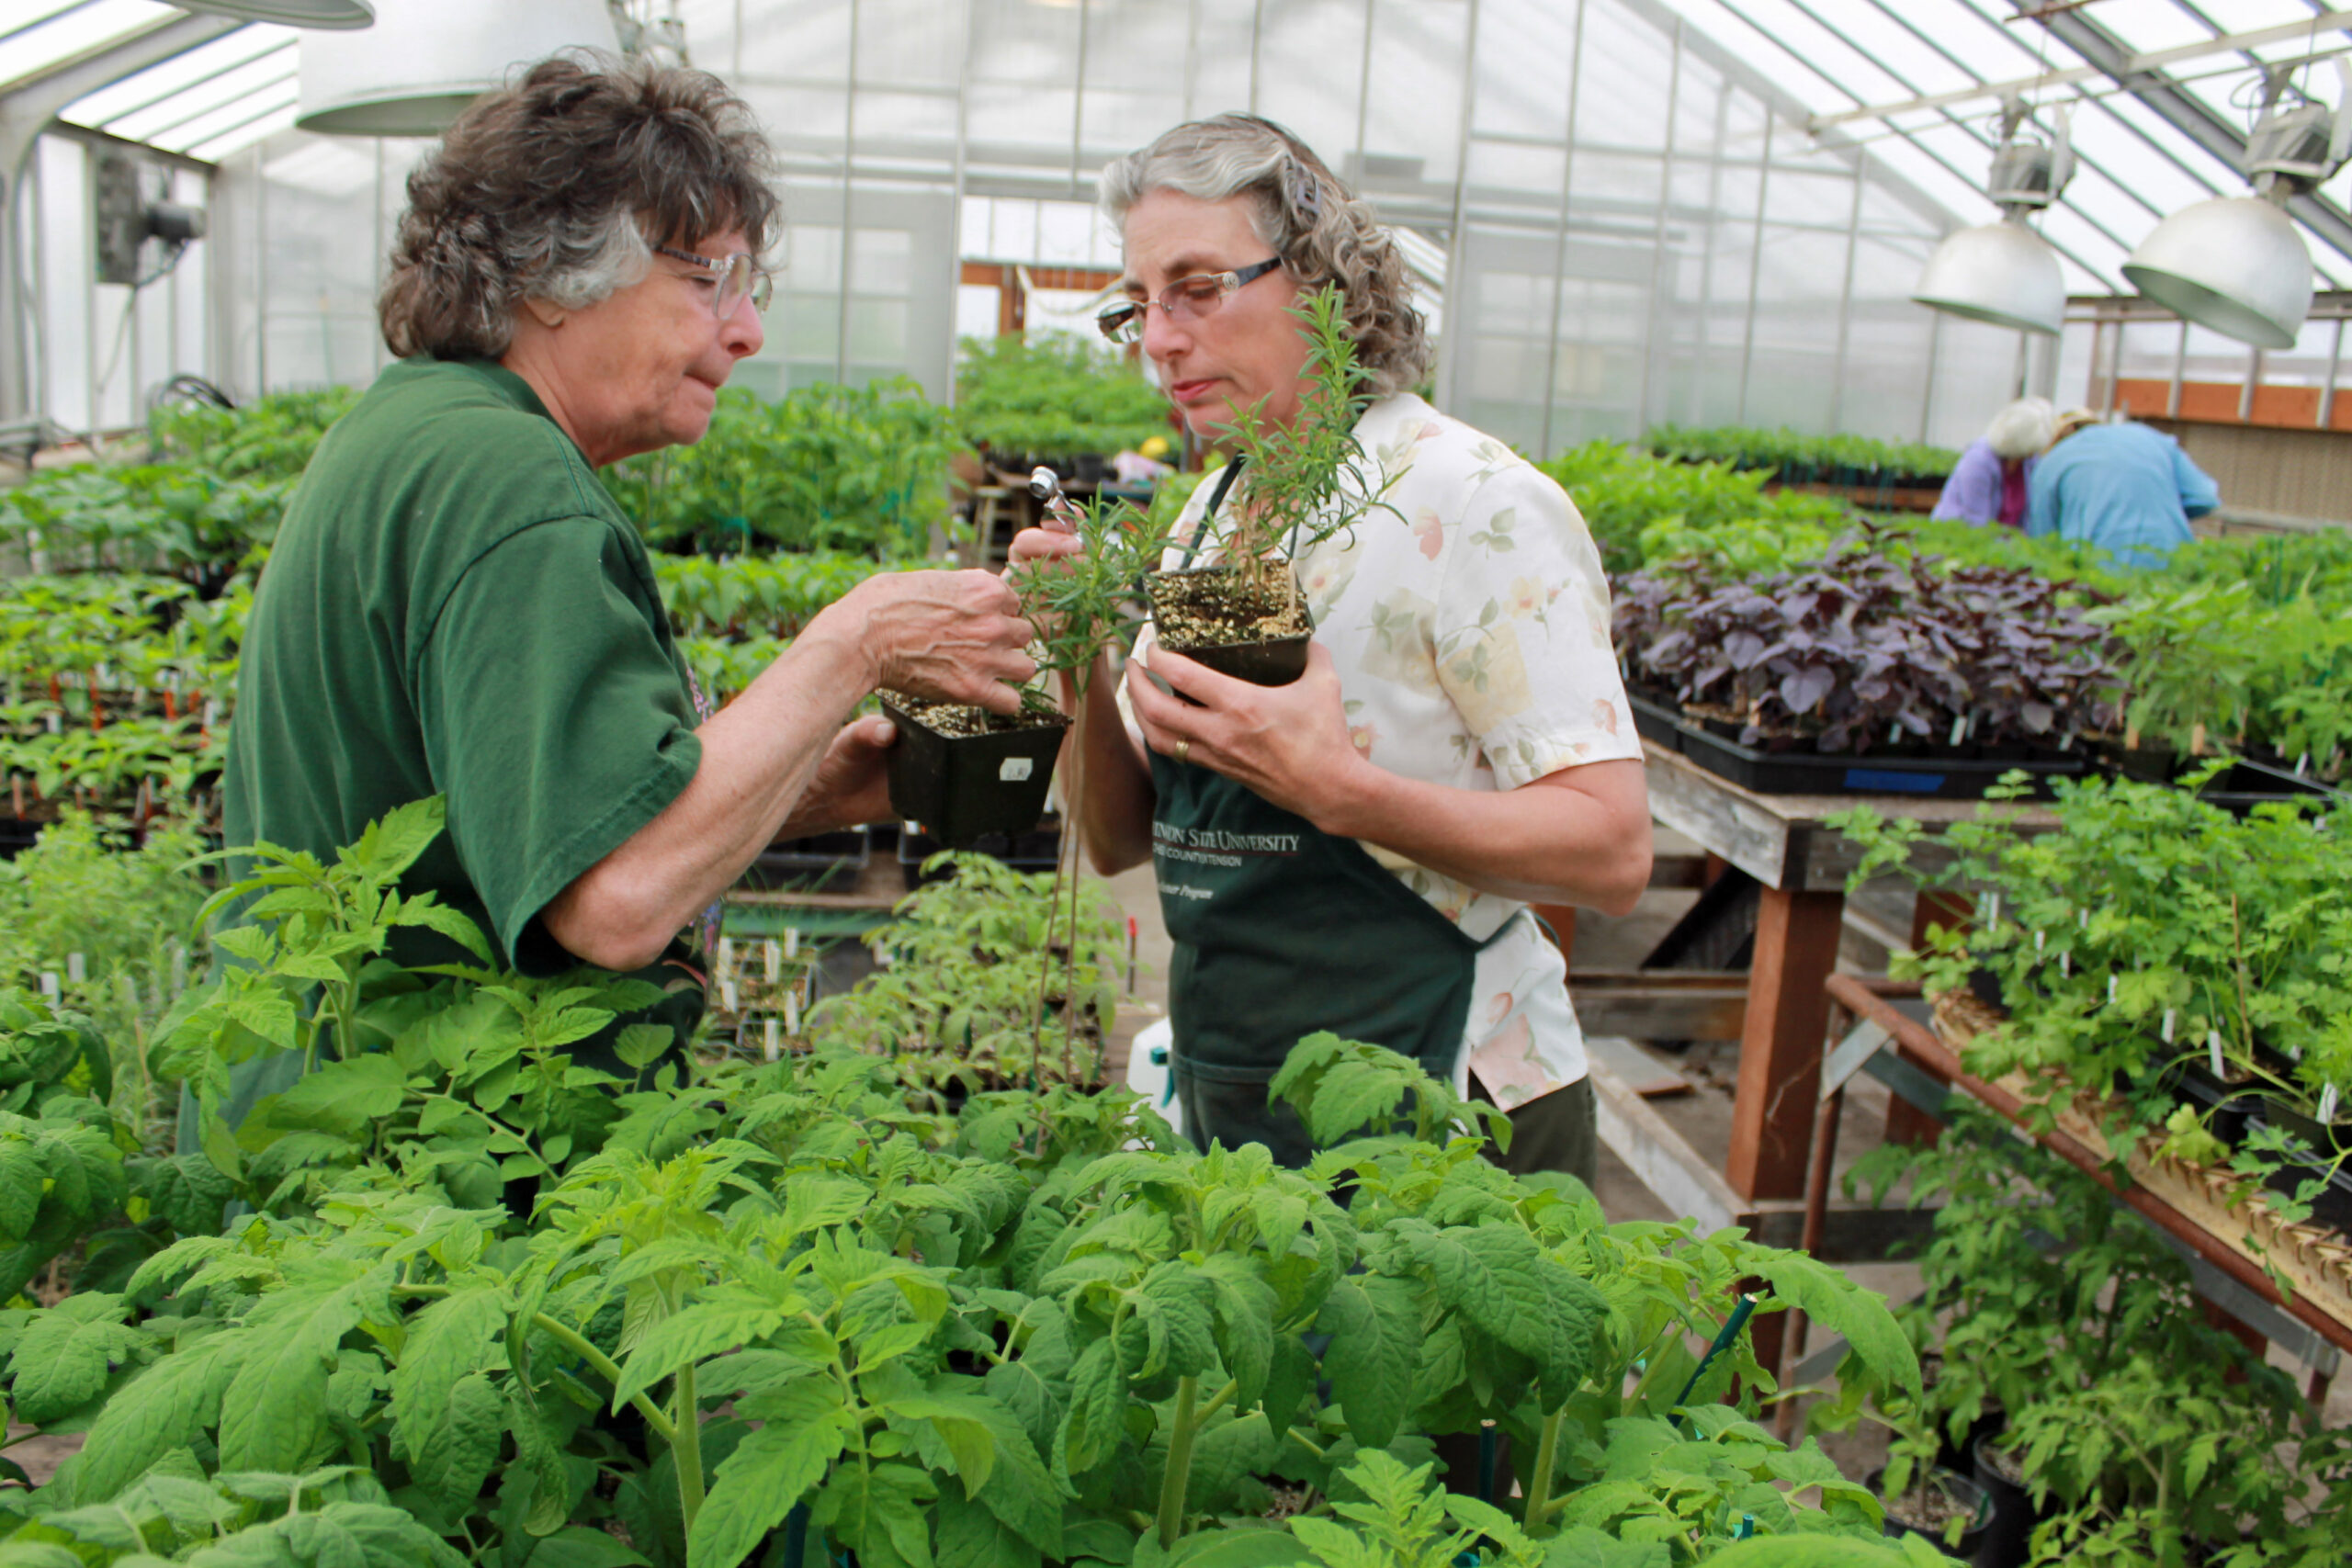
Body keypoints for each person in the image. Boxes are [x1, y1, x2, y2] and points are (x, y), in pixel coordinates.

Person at [212, 56, 1034, 1112]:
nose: (745, 330)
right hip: (421, 1169)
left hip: (337, 1125)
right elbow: (615, 902)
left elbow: (533, 834)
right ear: (554, 273)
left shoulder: (425, 429)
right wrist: (857, 642)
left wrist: (806, 786)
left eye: (748, 287)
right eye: (706, 280)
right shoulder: (508, 482)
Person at [1011, 114, 1652, 1184]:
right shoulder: (1210, 513)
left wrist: (1339, 790)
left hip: (1442, 1108)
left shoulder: (1470, 500)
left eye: (1198, 289)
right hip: (1241, 1087)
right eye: (1139, 306)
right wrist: (1079, 649)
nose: (1160, 339)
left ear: (1320, 281)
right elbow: (1126, 840)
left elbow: (1612, 852)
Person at [2026, 408, 2220, 569]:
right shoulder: (2150, 437)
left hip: (2096, 566)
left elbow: (2043, 538)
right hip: (2169, 558)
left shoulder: (2051, 462)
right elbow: (2205, 496)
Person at [1931, 397, 2053, 528]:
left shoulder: (2028, 462)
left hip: (2005, 543)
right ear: (2020, 443)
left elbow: (2028, 516)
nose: (2033, 454)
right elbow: (1975, 521)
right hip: (1959, 538)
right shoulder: (1978, 461)